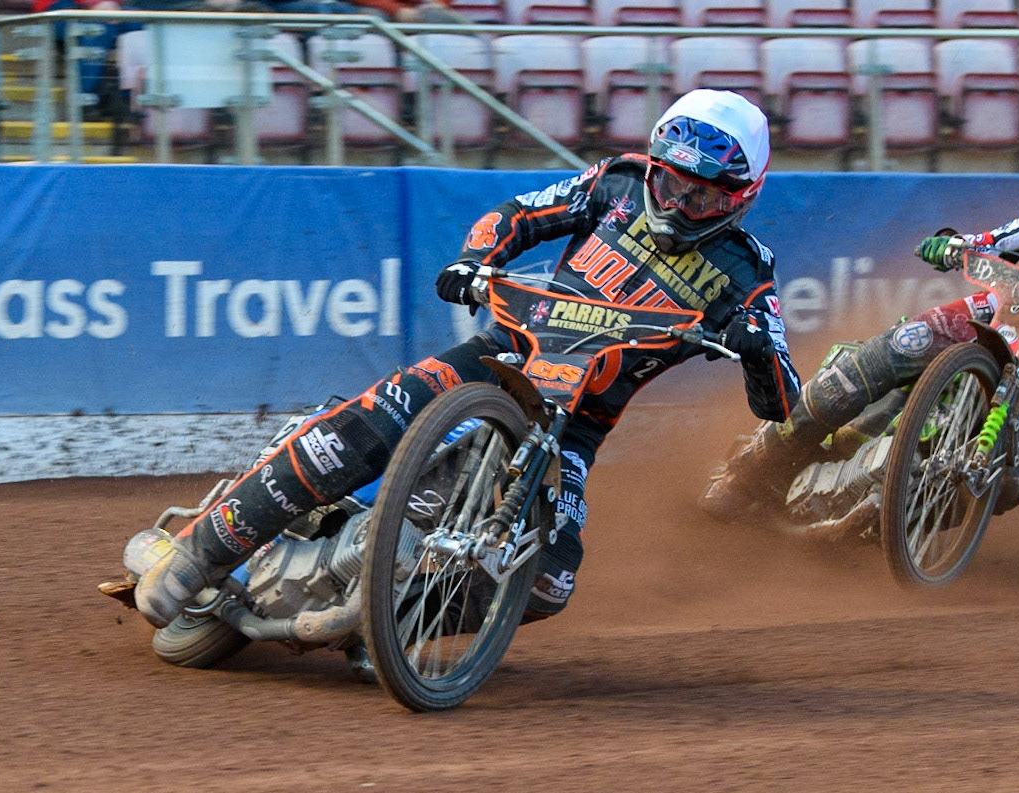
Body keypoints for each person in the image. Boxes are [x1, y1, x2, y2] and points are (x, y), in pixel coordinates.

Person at [135, 88, 802, 629]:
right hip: (504, 352)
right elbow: (516, 213)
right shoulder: (616, 185)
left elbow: (781, 402)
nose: (680, 204)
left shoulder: (746, 272)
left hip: (574, 426)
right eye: (672, 184)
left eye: (704, 196)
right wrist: (474, 260)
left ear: (743, 196)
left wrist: (752, 349)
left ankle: (395, 623)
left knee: (549, 580)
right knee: (376, 418)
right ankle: (199, 547)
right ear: (652, 167)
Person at [700, 121, 1019, 522]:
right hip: (982, 317)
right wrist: (952, 245)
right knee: (878, 359)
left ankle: (904, 523)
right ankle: (750, 475)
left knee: (1010, 483)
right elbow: (998, 240)